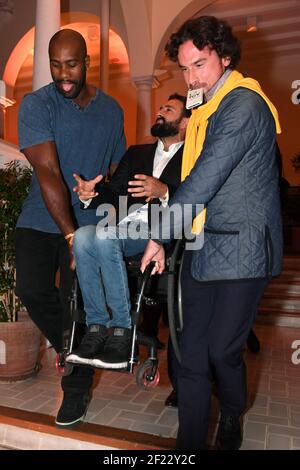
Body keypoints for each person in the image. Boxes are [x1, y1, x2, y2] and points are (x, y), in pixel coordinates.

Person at [141, 16, 282, 450]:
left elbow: (203, 181)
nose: (190, 78)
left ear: (225, 57)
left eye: (199, 65)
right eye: (184, 69)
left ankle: (233, 410)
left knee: (222, 351)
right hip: (202, 247)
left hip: (243, 250)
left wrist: (159, 236)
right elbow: (191, 183)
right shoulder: (204, 110)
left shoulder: (242, 105)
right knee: (188, 356)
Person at [15, 29, 126, 428]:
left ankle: (75, 392)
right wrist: (69, 237)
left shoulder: (111, 111)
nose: (63, 73)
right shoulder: (36, 104)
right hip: (41, 217)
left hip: (91, 222)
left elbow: (116, 171)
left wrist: (103, 193)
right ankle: (73, 347)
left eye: (72, 64)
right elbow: (47, 171)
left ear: (87, 62)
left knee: (73, 305)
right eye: (56, 64)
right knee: (29, 286)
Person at [66, 94, 191, 371]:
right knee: (85, 235)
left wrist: (165, 191)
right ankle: (97, 326)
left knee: (103, 235)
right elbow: (113, 193)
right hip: (121, 226)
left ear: (184, 122)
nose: (160, 111)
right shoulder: (136, 153)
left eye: (168, 109)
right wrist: (92, 192)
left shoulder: (194, 156)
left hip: (159, 230)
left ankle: (123, 332)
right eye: (160, 106)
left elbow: (197, 197)